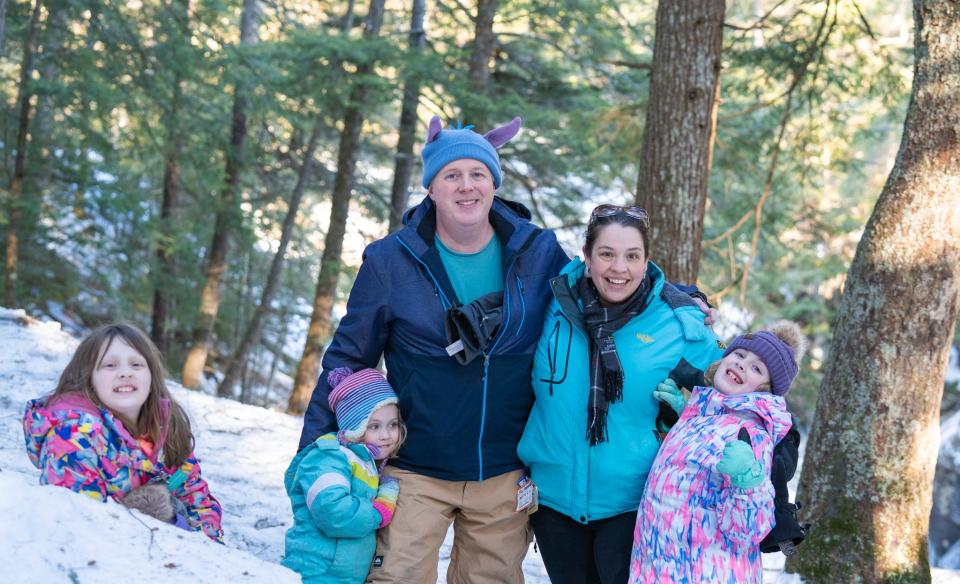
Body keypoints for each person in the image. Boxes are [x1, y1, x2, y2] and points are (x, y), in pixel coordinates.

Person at [298, 115, 570, 584]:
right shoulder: (390, 261)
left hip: (503, 471)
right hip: (413, 467)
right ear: (431, 188)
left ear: (493, 183)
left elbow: (599, 296)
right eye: (452, 175)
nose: (467, 187)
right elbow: (348, 362)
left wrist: (674, 296)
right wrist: (313, 456)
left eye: (478, 174)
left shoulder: (538, 252)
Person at [517, 204, 726, 583]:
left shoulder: (679, 323)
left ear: (647, 261)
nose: (619, 268)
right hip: (552, 500)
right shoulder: (549, 305)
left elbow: (734, 397)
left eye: (632, 256)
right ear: (587, 257)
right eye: (607, 254)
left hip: (635, 503)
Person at [628, 321, 806, 583]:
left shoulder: (751, 433)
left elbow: (748, 532)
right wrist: (681, 417)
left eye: (757, 368)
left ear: (764, 390)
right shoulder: (701, 413)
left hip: (706, 573)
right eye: (740, 354)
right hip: (657, 567)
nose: (742, 364)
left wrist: (749, 481)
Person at [22, 323, 223, 542]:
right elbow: (78, 528)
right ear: (87, 378)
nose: (125, 373)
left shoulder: (165, 429)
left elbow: (198, 501)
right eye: (110, 365)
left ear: (151, 376)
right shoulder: (73, 438)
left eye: (136, 364)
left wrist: (194, 540)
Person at [283, 367, 405, 583]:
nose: (386, 435)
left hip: (345, 575)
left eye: (393, 424)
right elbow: (333, 513)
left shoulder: (368, 463)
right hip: (315, 572)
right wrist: (379, 511)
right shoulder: (329, 458)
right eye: (374, 426)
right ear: (354, 427)